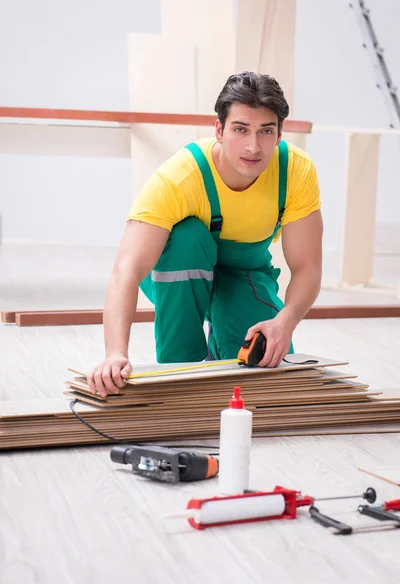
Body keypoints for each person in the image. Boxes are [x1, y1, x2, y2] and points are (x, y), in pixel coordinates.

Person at [88, 71, 323, 397]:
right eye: (240, 130)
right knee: (187, 237)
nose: (253, 147)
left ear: (280, 134)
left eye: (265, 131)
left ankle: (219, 341)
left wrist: (285, 322)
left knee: (260, 371)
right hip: (177, 269)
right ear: (219, 130)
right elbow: (126, 271)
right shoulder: (179, 178)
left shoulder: (295, 171)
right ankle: (180, 365)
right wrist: (115, 353)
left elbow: (308, 267)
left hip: (244, 273)